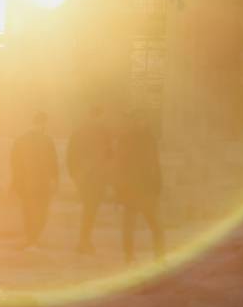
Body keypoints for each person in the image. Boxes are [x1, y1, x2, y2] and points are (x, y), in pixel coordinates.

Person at [114, 111, 165, 264]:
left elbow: (118, 167)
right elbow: (153, 164)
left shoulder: (124, 139)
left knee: (129, 225)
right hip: (146, 189)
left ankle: (129, 256)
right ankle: (159, 256)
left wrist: (118, 190)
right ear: (141, 122)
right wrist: (157, 186)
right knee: (155, 224)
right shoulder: (148, 139)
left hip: (130, 189)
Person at [66, 105, 113, 254]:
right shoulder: (103, 132)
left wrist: (74, 174)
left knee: (89, 208)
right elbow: (109, 156)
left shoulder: (78, 131)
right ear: (100, 115)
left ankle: (84, 241)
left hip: (83, 176)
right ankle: (83, 242)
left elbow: (70, 154)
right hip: (96, 177)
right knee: (90, 209)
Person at [9, 112, 59, 248]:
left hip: (25, 183)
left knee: (27, 210)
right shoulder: (48, 140)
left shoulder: (20, 140)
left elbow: (14, 163)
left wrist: (15, 182)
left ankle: (30, 238)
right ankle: (34, 237)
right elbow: (53, 162)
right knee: (42, 211)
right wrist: (55, 181)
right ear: (44, 124)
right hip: (42, 182)